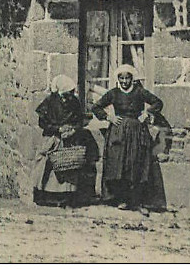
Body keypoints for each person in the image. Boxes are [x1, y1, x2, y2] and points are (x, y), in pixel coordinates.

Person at [91, 64, 163, 216]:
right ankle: (122, 199)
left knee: (136, 164)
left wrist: (147, 112)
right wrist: (109, 117)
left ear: (132, 79)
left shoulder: (139, 92)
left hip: (137, 132)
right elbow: (96, 107)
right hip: (118, 133)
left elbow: (158, 102)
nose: (124, 81)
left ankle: (137, 202)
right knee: (120, 165)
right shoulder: (114, 93)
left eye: (127, 78)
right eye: (121, 78)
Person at [31, 74, 99, 207]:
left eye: (71, 93)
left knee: (69, 166)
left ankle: (65, 197)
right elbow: (43, 123)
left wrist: (73, 129)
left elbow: (79, 120)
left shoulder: (74, 102)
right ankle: (46, 196)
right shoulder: (49, 102)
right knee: (45, 163)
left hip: (70, 138)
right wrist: (58, 129)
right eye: (66, 94)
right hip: (53, 137)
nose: (69, 96)